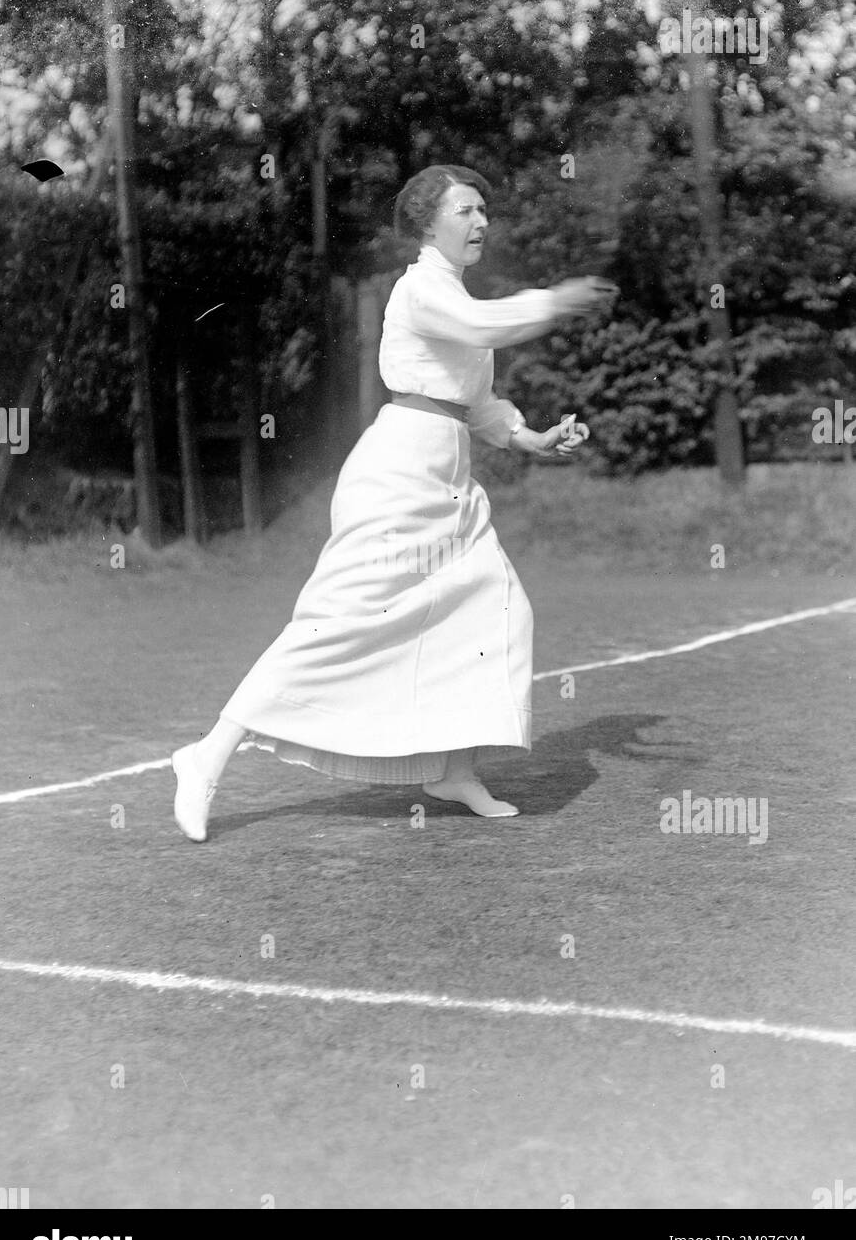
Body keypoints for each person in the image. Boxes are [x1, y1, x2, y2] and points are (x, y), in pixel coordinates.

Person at [172, 164, 617, 841]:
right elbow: (481, 327)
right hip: (395, 479)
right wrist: (556, 301)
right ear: (427, 223)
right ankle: (205, 757)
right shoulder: (422, 292)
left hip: (449, 485)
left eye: (482, 211)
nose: (481, 222)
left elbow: (475, 401)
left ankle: (451, 769)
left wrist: (531, 438)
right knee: (337, 625)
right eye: (465, 210)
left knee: (494, 611)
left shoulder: (454, 295)